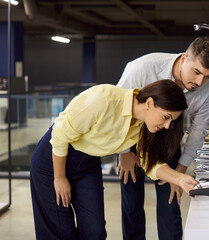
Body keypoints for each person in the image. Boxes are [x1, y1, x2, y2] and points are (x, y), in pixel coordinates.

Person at [30, 80, 198, 240]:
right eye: (166, 117)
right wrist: (59, 177)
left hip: (88, 163)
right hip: (53, 161)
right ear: (149, 103)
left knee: (95, 232)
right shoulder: (103, 99)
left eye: (172, 121)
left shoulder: (143, 126)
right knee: (60, 231)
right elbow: (59, 135)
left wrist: (180, 178)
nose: (168, 126)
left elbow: (150, 164)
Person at [117, 37, 209, 239]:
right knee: (132, 204)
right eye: (197, 72)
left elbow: (198, 130)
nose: (200, 82)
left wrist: (179, 173)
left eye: (207, 76)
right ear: (183, 59)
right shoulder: (142, 68)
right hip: (133, 139)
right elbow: (118, 110)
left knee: (171, 204)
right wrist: (124, 153)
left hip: (170, 139)